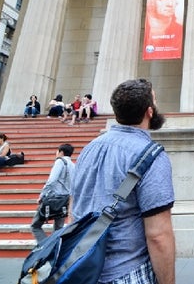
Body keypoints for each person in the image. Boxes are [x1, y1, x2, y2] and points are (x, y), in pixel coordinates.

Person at [71, 79, 175, 284]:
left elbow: (73, 206)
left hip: (83, 272)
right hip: (127, 272)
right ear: (149, 112)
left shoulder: (88, 149)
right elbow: (158, 236)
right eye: (154, 101)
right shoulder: (152, 156)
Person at [31, 144, 75, 244]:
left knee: (35, 225)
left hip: (53, 198)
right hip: (65, 200)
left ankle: (45, 246)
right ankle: (55, 249)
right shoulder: (73, 165)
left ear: (61, 152)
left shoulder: (60, 161)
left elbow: (52, 181)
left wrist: (42, 195)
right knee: (58, 228)